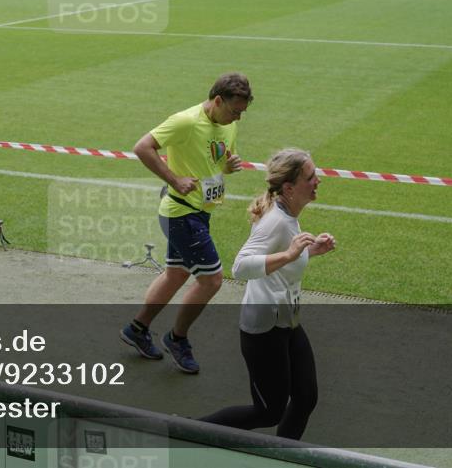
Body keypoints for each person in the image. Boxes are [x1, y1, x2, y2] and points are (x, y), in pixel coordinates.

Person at [200, 148, 335, 440]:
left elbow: (282, 262)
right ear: (289, 188)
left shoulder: (288, 214)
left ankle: (282, 456)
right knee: (267, 411)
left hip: (286, 322)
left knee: (305, 397)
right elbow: (240, 267)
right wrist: (289, 254)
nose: (317, 180)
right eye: (311, 177)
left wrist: (311, 251)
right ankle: (187, 429)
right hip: (263, 331)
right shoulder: (276, 221)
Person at [121, 73, 252, 374]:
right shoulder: (186, 121)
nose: (238, 118)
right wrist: (174, 179)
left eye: (242, 113)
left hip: (198, 213)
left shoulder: (227, 123)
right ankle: (177, 338)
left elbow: (212, 162)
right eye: (234, 111)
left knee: (176, 275)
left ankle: (136, 329)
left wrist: (227, 168)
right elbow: (142, 147)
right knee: (212, 280)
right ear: (217, 100)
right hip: (181, 214)